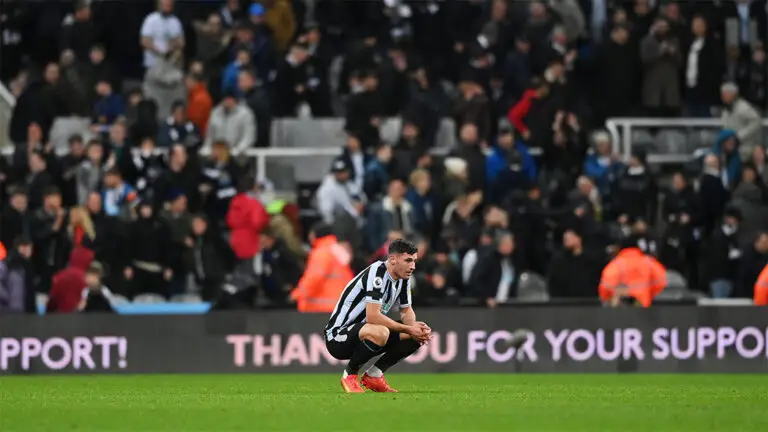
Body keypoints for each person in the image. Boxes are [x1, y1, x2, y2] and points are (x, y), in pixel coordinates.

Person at [325, 239, 431, 393]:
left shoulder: (403, 278)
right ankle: (349, 375)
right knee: (381, 331)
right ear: (393, 260)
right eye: (408, 260)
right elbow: (373, 317)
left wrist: (413, 329)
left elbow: (406, 310)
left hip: (367, 331)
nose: (413, 266)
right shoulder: (377, 273)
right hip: (338, 337)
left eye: (414, 261)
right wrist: (408, 329)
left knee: (417, 334)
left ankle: (374, 375)